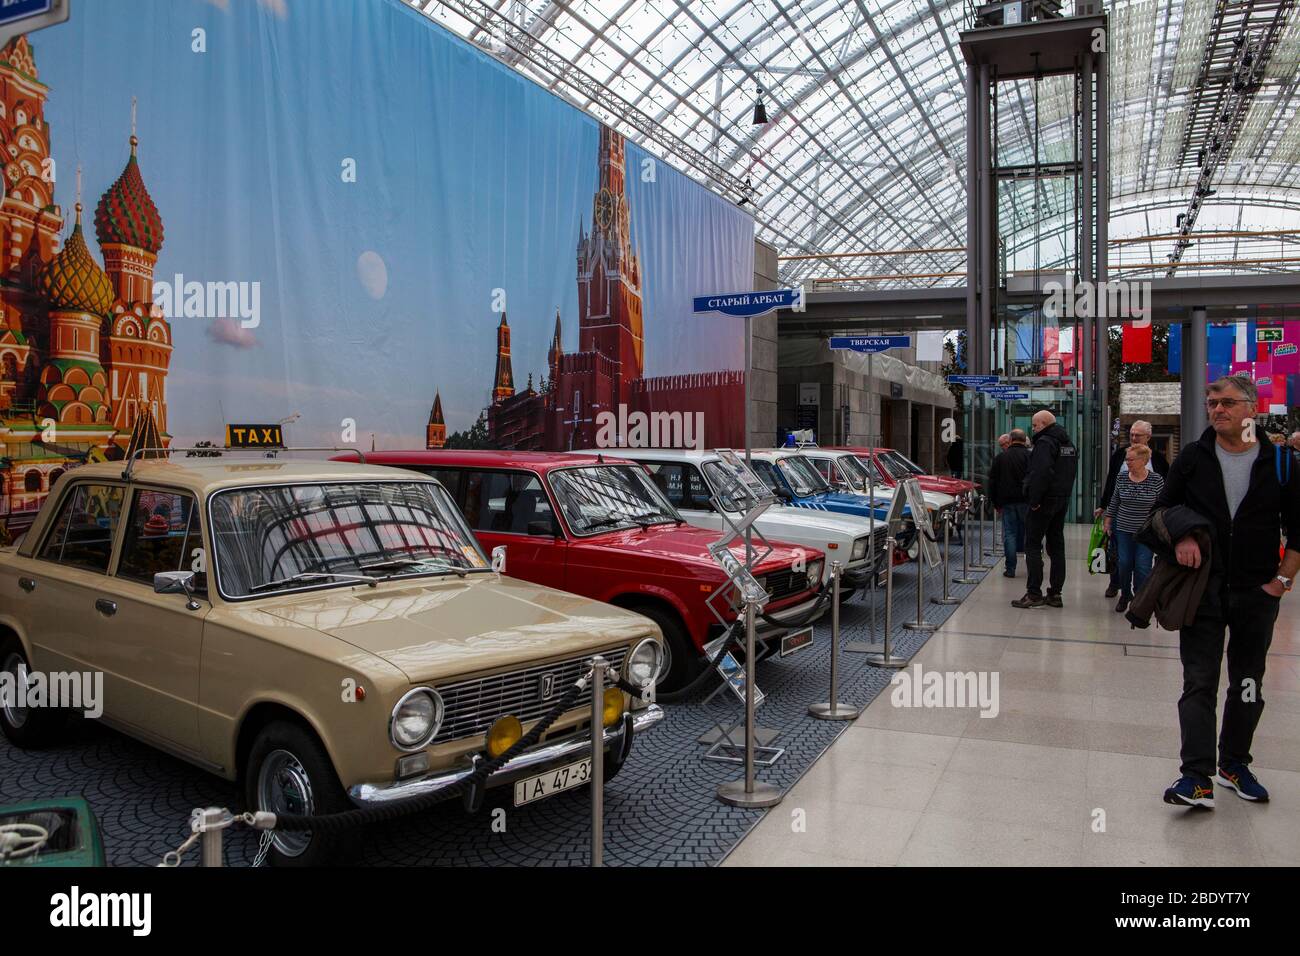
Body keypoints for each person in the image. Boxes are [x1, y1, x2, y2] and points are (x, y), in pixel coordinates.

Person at [1158, 375, 1300, 809]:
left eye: (1227, 403)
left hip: (1256, 591)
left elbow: (1298, 531)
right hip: (1203, 588)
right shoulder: (1192, 459)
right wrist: (1181, 535)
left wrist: (1281, 582)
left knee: (1248, 682)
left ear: (1251, 409)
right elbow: (1162, 509)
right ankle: (1195, 776)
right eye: (1212, 403)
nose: (1217, 410)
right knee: (1198, 681)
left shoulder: (1281, 463)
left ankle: (1234, 763)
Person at [1012, 410, 1078, 608]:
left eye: (1034, 425)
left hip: (1044, 501)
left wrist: (1034, 500)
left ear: (1043, 424)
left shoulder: (1045, 442)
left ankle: (1034, 593)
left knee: (1032, 544)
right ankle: (1055, 593)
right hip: (1062, 499)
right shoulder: (1068, 444)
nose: (1033, 429)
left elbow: (1041, 472)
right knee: (1057, 546)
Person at [1097, 420, 1169, 598]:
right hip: (1122, 516)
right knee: (1119, 555)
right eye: (1132, 435)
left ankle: (1140, 595)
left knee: (1142, 561)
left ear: (1148, 437)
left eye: (1138, 435)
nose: (1134, 438)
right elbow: (1112, 483)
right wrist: (1104, 507)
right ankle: (1116, 585)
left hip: (1146, 520)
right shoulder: (1120, 455)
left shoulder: (1158, 461)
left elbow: (1166, 490)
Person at [1104, 443, 1164, 613]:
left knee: (1142, 565)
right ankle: (1125, 594)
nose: (1127, 462)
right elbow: (1115, 500)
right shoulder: (1122, 477)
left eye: (1131, 459)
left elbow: (1162, 504)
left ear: (1143, 460)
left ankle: (1140, 597)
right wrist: (1108, 519)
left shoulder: (1156, 480)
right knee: (1124, 563)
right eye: (1126, 459)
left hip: (1146, 531)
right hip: (1123, 528)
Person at [988, 429, 1031, 578]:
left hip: (1007, 502)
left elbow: (992, 482)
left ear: (1011, 440)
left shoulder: (1000, 458)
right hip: (1026, 502)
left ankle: (1010, 568)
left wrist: (995, 502)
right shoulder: (1030, 456)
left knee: (1010, 534)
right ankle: (1032, 566)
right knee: (1030, 533)